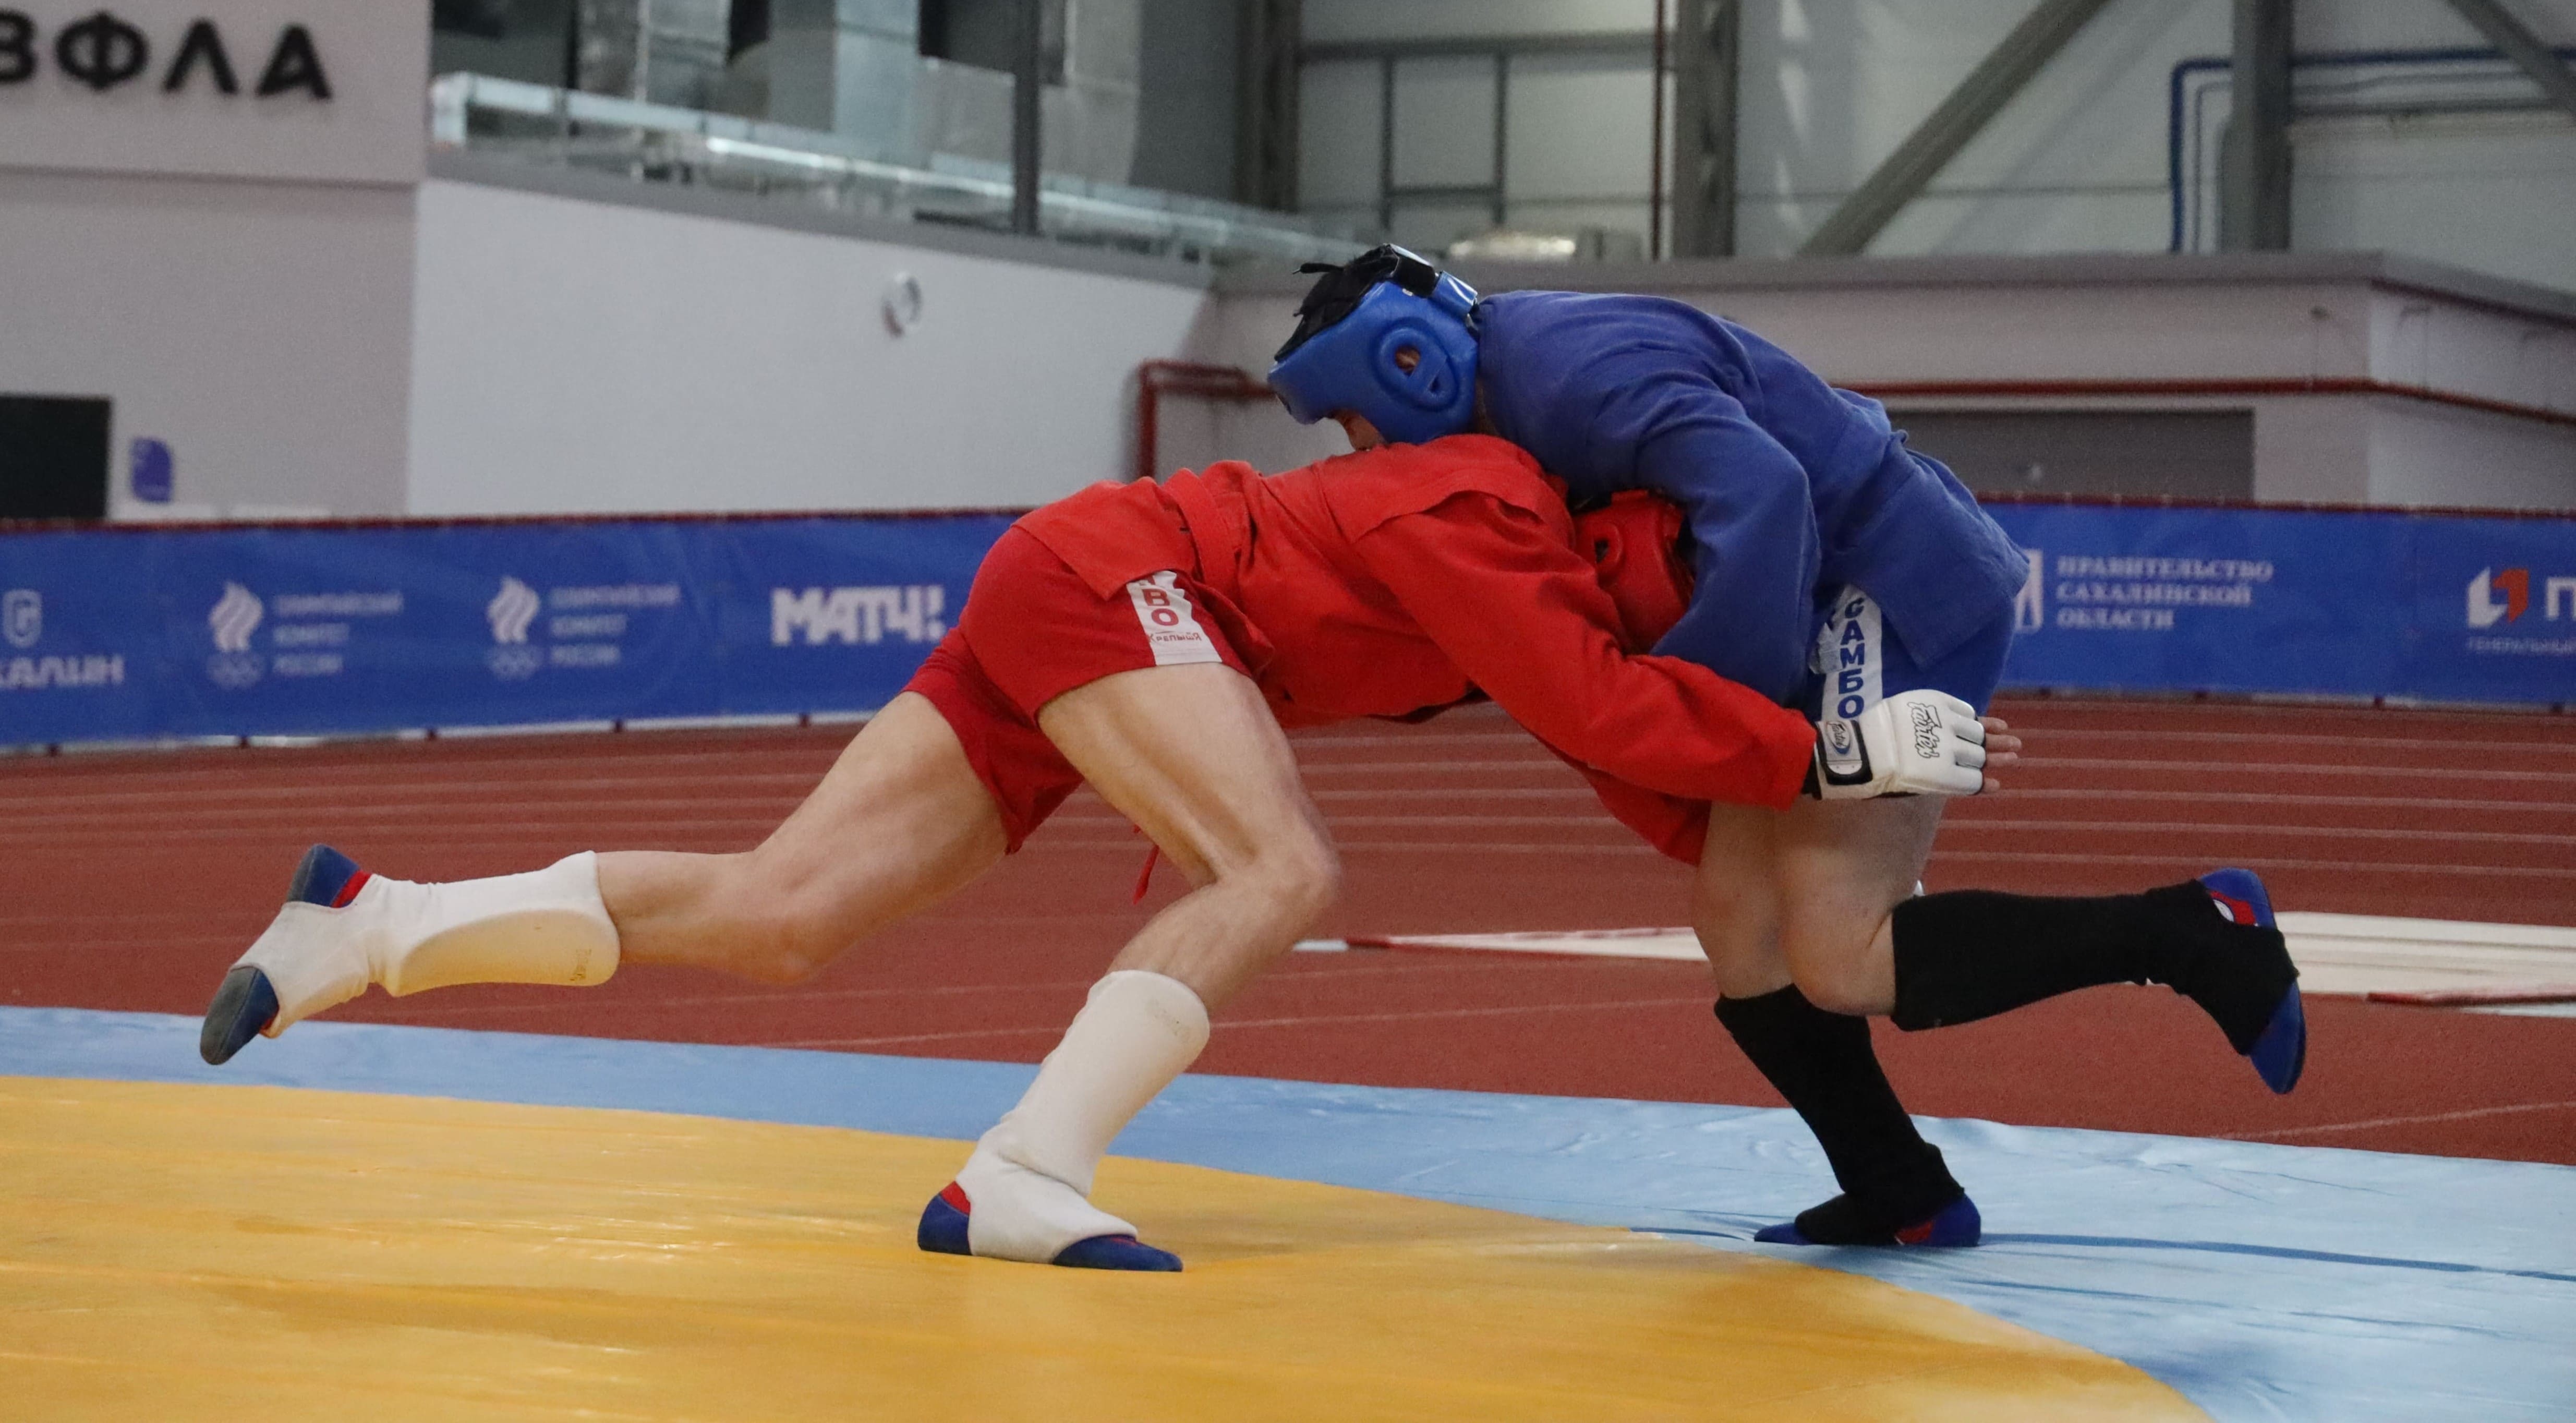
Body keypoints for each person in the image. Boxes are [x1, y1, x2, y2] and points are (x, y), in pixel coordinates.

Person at [201, 433, 1998, 1273]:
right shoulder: (1501, 512)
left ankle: (375, 922)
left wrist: (1791, 823)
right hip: (1122, 580)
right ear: (1642, 535)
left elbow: (1624, 743)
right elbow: (1618, 713)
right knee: (1277, 871)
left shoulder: (1551, 598)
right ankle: (1021, 1171)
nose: (1689, 621)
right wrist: (1832, 749)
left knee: (782, 914)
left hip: (1089, 585)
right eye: (1692, 590)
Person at [1268, 245, 2306, 1248]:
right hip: (1809, 600)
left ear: (1409, 363)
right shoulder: (1512, 391)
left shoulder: (1571, 374)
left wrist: (1713, 714)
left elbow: (1766, 492)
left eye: (1354, 419)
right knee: (1739, 928)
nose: (1361, 447)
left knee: (1841, 951)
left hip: (1882, 580)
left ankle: (2195, 929)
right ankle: (1898, 1186)